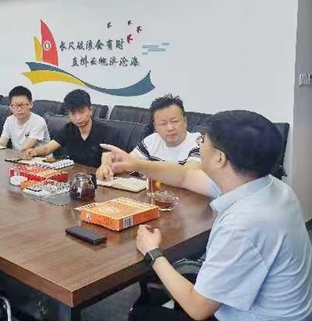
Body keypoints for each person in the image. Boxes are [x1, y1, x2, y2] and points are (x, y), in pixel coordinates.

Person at [102, 110, 312, 321]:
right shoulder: (268, 186)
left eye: (202, 141)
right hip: (282, 310)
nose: (199, 145)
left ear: (219, 158)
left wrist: (152, 252)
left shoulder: (242, 224)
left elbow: (198, 308)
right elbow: (184, 176)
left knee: (141, 315)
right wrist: (135, 163)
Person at [98, 94, 201, 181]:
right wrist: (108, 166)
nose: (170, 128)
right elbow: (127, 165)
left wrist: (144, 167)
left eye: (175, 121)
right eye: (163, 124)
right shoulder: (152, 140)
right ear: (155, 127)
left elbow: (189, 175)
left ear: (185, 121)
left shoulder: (199, 142)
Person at [22, 89, 106, 167]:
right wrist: (34, 151)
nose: (78, 118)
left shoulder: (105, 132)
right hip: (74, 173)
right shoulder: (69, 129)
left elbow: (108, 160)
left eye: (82, 112)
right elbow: (47, 149)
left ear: (90, 110)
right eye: (73, 113)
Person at [0, 86, 50, 151]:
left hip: (38, 157)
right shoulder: (9, 120)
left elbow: (25, 148)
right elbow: (2, 143)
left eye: (23, 105)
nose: (19, 109)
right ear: (10, 107)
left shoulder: (39, 122)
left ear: (31, 104)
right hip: (17, 155)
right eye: (15, 105)